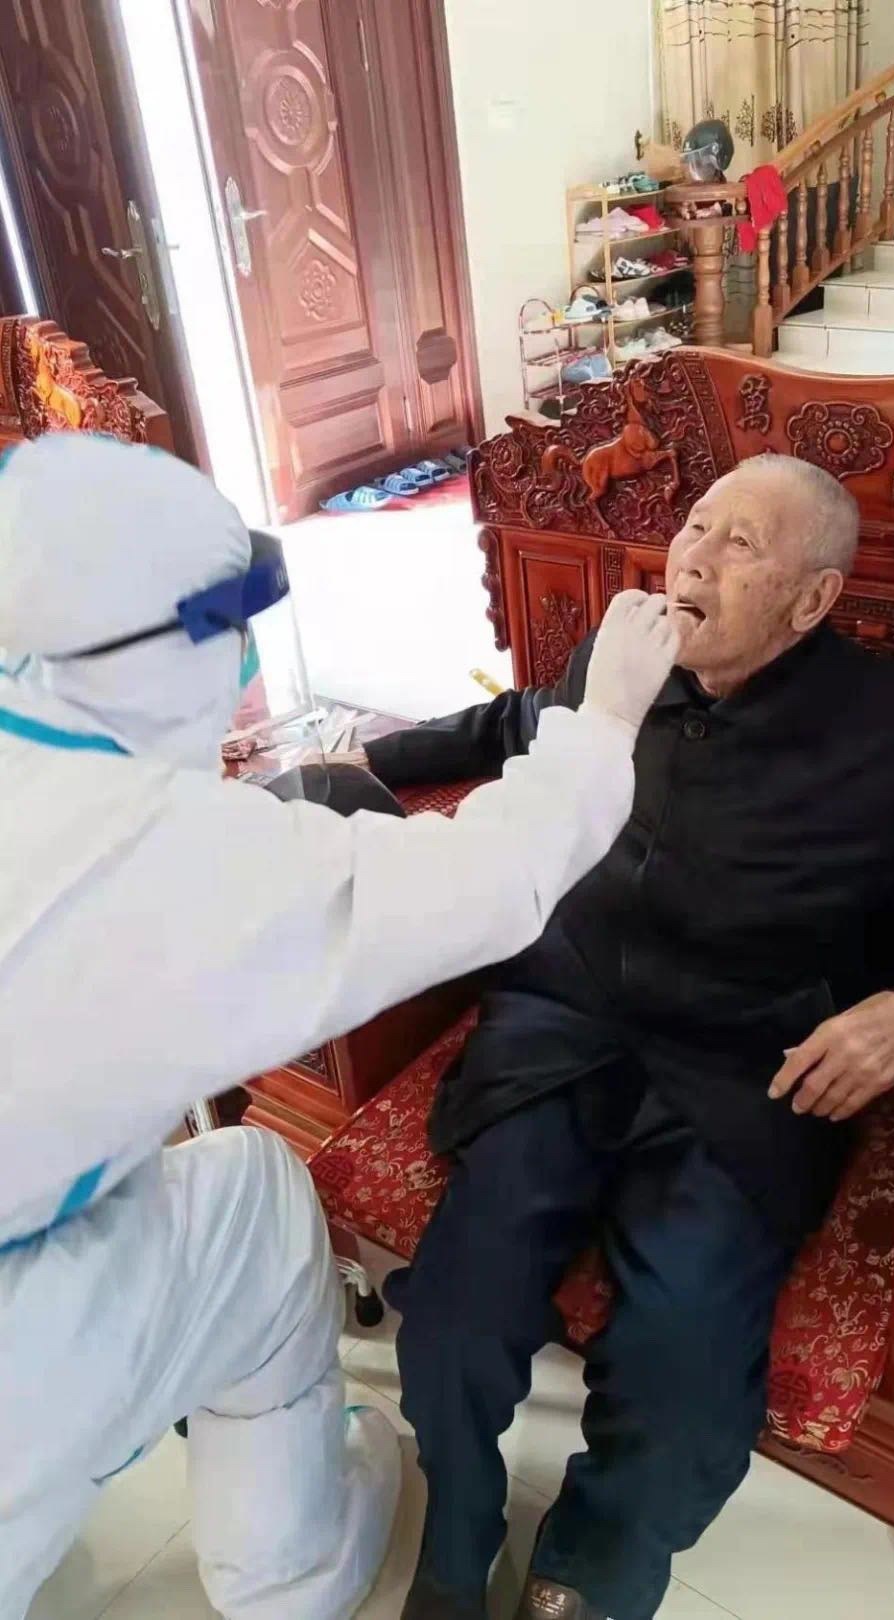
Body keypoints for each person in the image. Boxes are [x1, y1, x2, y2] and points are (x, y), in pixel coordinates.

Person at [355, 453, 894, 1620]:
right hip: (562, 1028)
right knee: (451, 1315)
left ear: (813, 599)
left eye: (740, 544)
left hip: (745, 1074)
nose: (693, 557)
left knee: (685, 1375)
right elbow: (522, 719)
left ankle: (584, 1581)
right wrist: (368, 759)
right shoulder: (626, 654)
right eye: (695, 525)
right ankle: (457, 1530)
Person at [0, 434, 680, 1620]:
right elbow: (491, 876)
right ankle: (289, 1571)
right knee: (258, 1206)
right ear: (167, 647)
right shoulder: (157, 859)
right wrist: (606, 716)